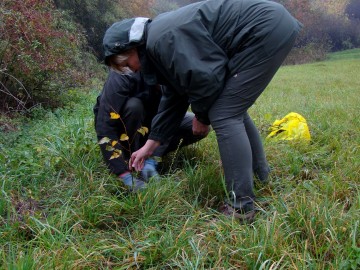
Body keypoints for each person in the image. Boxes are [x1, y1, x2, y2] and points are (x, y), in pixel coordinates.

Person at [102, 0, 302, 222]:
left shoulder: (161, 40)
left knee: (224, 113)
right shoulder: (157, 42)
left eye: (128, 64)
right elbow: (174, 98)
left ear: (131, 48)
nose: (132, 70)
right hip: (271, 23)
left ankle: (241, 208)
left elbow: (207, 77)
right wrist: (151, 146)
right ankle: (261, 175)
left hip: (261, 28)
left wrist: (201, 116)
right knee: (232, 109)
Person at [94, 69, 207, 192]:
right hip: (127, 124)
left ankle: (147, 158)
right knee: (134, 106)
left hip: (153, 122)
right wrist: (122, 173)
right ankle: (129, 158)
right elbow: (104, 123)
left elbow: (170, 119)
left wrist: (153, 157)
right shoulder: (123, 71)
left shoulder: (174, 73)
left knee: (194, 124)